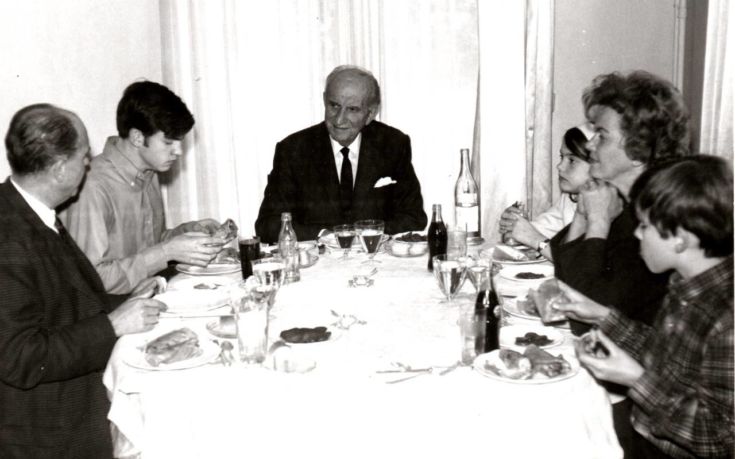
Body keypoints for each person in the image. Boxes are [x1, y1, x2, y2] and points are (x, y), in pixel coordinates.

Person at [0, 104, 167, 457]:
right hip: (46, 435)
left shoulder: (31, 211)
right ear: (60, 169)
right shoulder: (7, 236)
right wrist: (112, 325)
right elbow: (20, 357)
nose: (89, 163)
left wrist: (126, 302)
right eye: (83, 156)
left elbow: (65, 304)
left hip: (72, 415)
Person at [556, 155, 733, 458]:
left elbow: (718, 438)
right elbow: (665, 354)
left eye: (645, 226)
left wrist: (635, 379)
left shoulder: (727, 319)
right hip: (641, 432)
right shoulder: (685, 283)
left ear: (679, 240)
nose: (637, 234)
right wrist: (602, 315)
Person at [549, 71, 691, 335]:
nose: (590, 145)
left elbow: (585, 319)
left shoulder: (658, 219)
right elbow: (564, 280)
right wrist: (582, 215)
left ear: (638, 151)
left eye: (601, 135)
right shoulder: (622, 200)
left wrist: (598, 223)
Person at [60, 81, 225, 294]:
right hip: (110, 308)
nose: (178, 152)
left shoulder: (149, 172)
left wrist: (186, 234)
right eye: (168, 142)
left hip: (147, 295)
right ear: (137, 137)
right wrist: (166, 252)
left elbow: (148, 247)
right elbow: (90, 279)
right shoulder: (93, 187)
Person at [255, 65, 427, 243]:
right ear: (324, 100)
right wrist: (323, 235)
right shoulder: (293, 150)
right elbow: (268, 224)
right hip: (318, 258)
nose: (339, 119)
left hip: (375, 256)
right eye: (334, 105)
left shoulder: (393, 145)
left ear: (371, 113)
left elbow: (414, 217)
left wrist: (366, 235)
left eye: (352, 109)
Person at [498, 123, 594, 259]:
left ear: (596, 164)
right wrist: (514, 224)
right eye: (562, 157)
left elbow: (581, 264)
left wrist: (534, 239)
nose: (560, 166)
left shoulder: (609, 209)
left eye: (572, 160)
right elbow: (536, 232)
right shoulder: (570, 199)